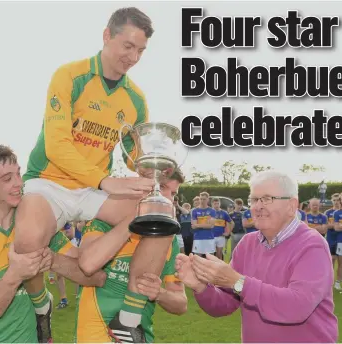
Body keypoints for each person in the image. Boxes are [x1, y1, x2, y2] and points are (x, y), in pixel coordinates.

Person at [12, 8, 178, 341]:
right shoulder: (69, 76)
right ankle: (41, 305)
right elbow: (57, 145)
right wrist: (105, 181)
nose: (133, 57)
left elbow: (135, 157)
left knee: (159, 212)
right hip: (50, 182)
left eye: (141, 50)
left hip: (92, 191)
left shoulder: (137, 100)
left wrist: (152, 170)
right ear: (107, 36)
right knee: (28, 240)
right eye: (127, 46)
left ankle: (128, 316)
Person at [0, 144, 106, 343]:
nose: (18, 183)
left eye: (18, 174)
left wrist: (54, 261)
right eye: (7, 179)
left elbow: (95, 277)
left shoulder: (37, 225)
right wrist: (14, 276)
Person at [175, 170, 338, 343]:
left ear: (291, 206)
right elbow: (224, 304)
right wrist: (201, 287)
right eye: (253, 199)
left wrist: (237, 282)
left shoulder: (312, 245)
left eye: (267, 199)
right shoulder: (247, 244)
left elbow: (297, 307)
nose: (257, 206)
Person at [75, 170, 187, 342]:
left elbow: (181, 303)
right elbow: (88, 264)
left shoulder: (168, 239)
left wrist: (160, 293)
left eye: (173, 193)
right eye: (162, 187)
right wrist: (136, 216)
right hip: (94, 337)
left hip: (138, 338)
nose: (168, 198)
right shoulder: (102, 223)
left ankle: (128, 321)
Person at [191, 192, 217, 257]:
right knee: (197, 259)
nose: (202, 201)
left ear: (208, 200)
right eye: (201, 199)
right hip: (198, 238)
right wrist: (206, 224)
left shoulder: (212, 211)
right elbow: (193, 226)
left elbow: (211, 226)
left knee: (210, 259)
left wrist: (197, 225)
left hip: (209, 238)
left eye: (204, 199)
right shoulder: (195, 211)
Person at [325, 193, 341, 289]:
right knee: (331, 261)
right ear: (332, 201)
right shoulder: (328, 212)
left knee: (341, 262)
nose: (336, 202)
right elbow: (328, 225)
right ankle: (329, 281)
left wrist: (335, 225)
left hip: (341, 239)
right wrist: (337, 225)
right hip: (331, 239)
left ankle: (338, 282)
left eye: (337, 200)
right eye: (334, 200)